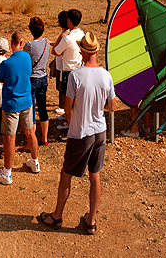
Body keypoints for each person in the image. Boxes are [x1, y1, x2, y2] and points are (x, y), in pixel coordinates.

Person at [37, 32, 114, 235]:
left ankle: (57, 216)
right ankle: (91, 221)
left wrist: (73, 125)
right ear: (97, 51)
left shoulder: (75, 76)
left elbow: (68, 108)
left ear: (81, 51)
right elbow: (112, 106)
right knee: (94, 175)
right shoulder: (106, 75)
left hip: (81, 132)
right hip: (100, 131)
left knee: (66, 175)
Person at [0, 32, 41, 185]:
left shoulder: (6, 63)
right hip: (26, 101)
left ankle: (7, 173)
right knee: (30, 133)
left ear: (11, 43)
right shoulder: (27, 57)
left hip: (11, 104)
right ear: (21, 42)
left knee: (9, 138)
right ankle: (35, 162)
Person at [50, 9, 84, 121]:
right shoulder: (82, 34)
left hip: (67, 71)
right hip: (79, 68)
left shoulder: (67, 38)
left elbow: (55, 51)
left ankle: (68, 121)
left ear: (69, 21)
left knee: (67, 97)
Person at [23, 17, 51, 147]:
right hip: (43, 77)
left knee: (31, 110)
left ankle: (31, 141)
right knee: (43, 107)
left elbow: (23, 60)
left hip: (32, 78)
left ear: (30, 30)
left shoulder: (29, 45)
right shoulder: (46, 42)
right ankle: (44, 138)